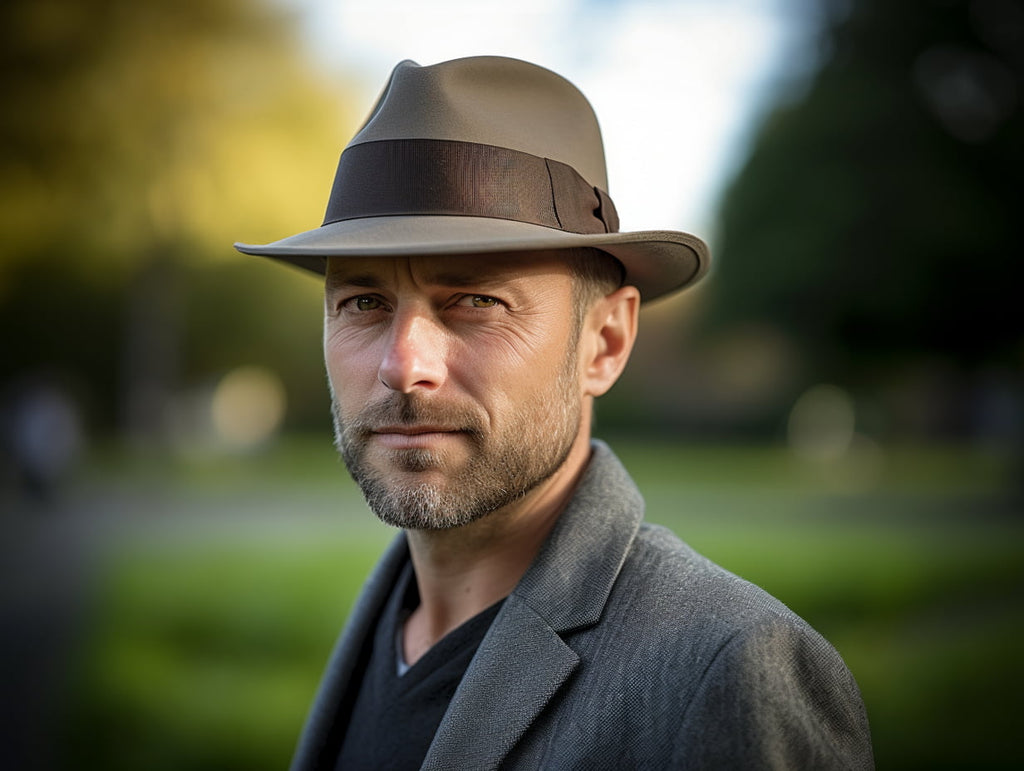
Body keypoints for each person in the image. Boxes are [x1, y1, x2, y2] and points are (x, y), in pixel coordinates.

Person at [235, 56, 873, 770]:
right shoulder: (382, 624)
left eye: (476, 301)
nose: (403, 363)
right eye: (363, 303)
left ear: (604, 342)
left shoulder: (728, 670)